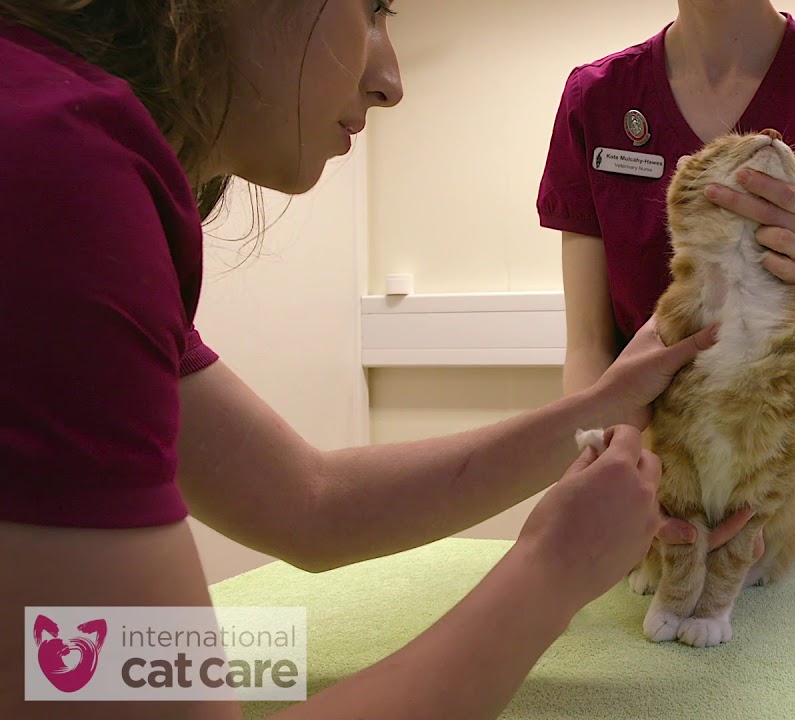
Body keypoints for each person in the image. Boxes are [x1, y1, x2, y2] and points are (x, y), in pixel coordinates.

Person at [0, 2, 754, 719]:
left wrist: (605, 404)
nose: (389, 80)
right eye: (372, 7)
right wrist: (553, 570)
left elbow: (308, 501)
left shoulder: (49, 135)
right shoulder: (53, 171)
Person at [538, 0, 795, 554]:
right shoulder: (597, 96)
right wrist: (612, 469)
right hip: (650, 510)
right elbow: (590, 348)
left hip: (789, 519)